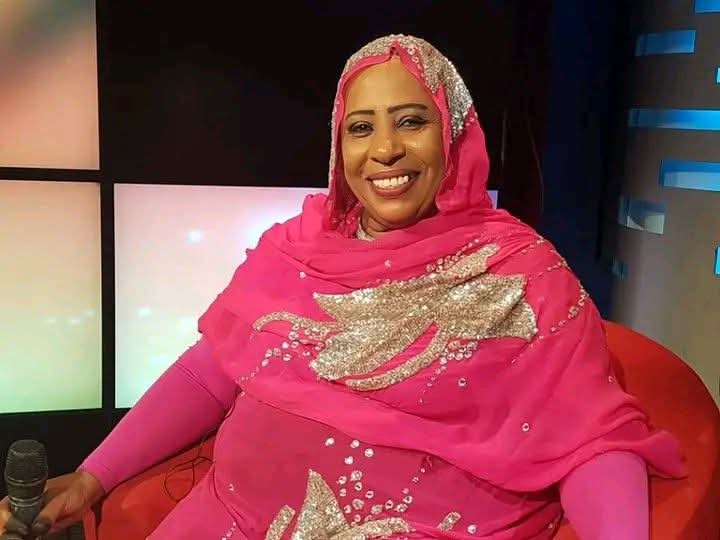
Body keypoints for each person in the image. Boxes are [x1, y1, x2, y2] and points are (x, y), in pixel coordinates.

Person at [1, 34, 686, 540]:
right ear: (339, 146)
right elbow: (214, 370)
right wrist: (93, 474)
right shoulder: (293, 249)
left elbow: (594, 440)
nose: (384, 150)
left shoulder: (522, 271)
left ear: (453, 133)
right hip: (228, 521)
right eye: (361, 128)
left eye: (411, 121)